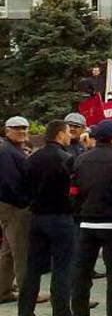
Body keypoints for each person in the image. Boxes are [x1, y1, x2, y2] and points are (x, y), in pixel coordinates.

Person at [71, 120, 112, 316]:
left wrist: (78, 213)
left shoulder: (81, 159)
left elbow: (73, 191)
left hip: (86, 222)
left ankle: (79, 311)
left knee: (82, 273)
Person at [18, 120, 74, 316]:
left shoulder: (32, 159)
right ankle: (60, 310)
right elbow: (73, 191)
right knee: (62, 268)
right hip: (61, 217)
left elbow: (23, 187)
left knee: (32, 267)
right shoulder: (67, 159)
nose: (70, 136)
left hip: (37, 217)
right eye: (68, 132)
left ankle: (25, 310)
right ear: (59, 134)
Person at [0, 117, 46, 305]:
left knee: (9, 251)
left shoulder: (11, 149)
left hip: (8, 205)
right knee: (22, 252)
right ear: (6, 130)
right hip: (14, 206)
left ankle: (3, 290)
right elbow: (10, 182)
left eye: (24, 128)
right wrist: (25, 203)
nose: (22, 131)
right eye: (17, 128)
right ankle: (29, 294)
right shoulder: (7, 152)